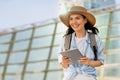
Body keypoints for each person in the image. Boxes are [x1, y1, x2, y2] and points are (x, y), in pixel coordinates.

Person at [57, 6, 105, 80]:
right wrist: (64, 62)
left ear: (85, 20)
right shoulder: (65, 40)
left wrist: (89, 62)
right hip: (70, 77)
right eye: (71, 19)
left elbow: (100, 61)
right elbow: (64, 66)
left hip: (88, 77)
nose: (74, 22)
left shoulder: (94, 38)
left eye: (77, 18)